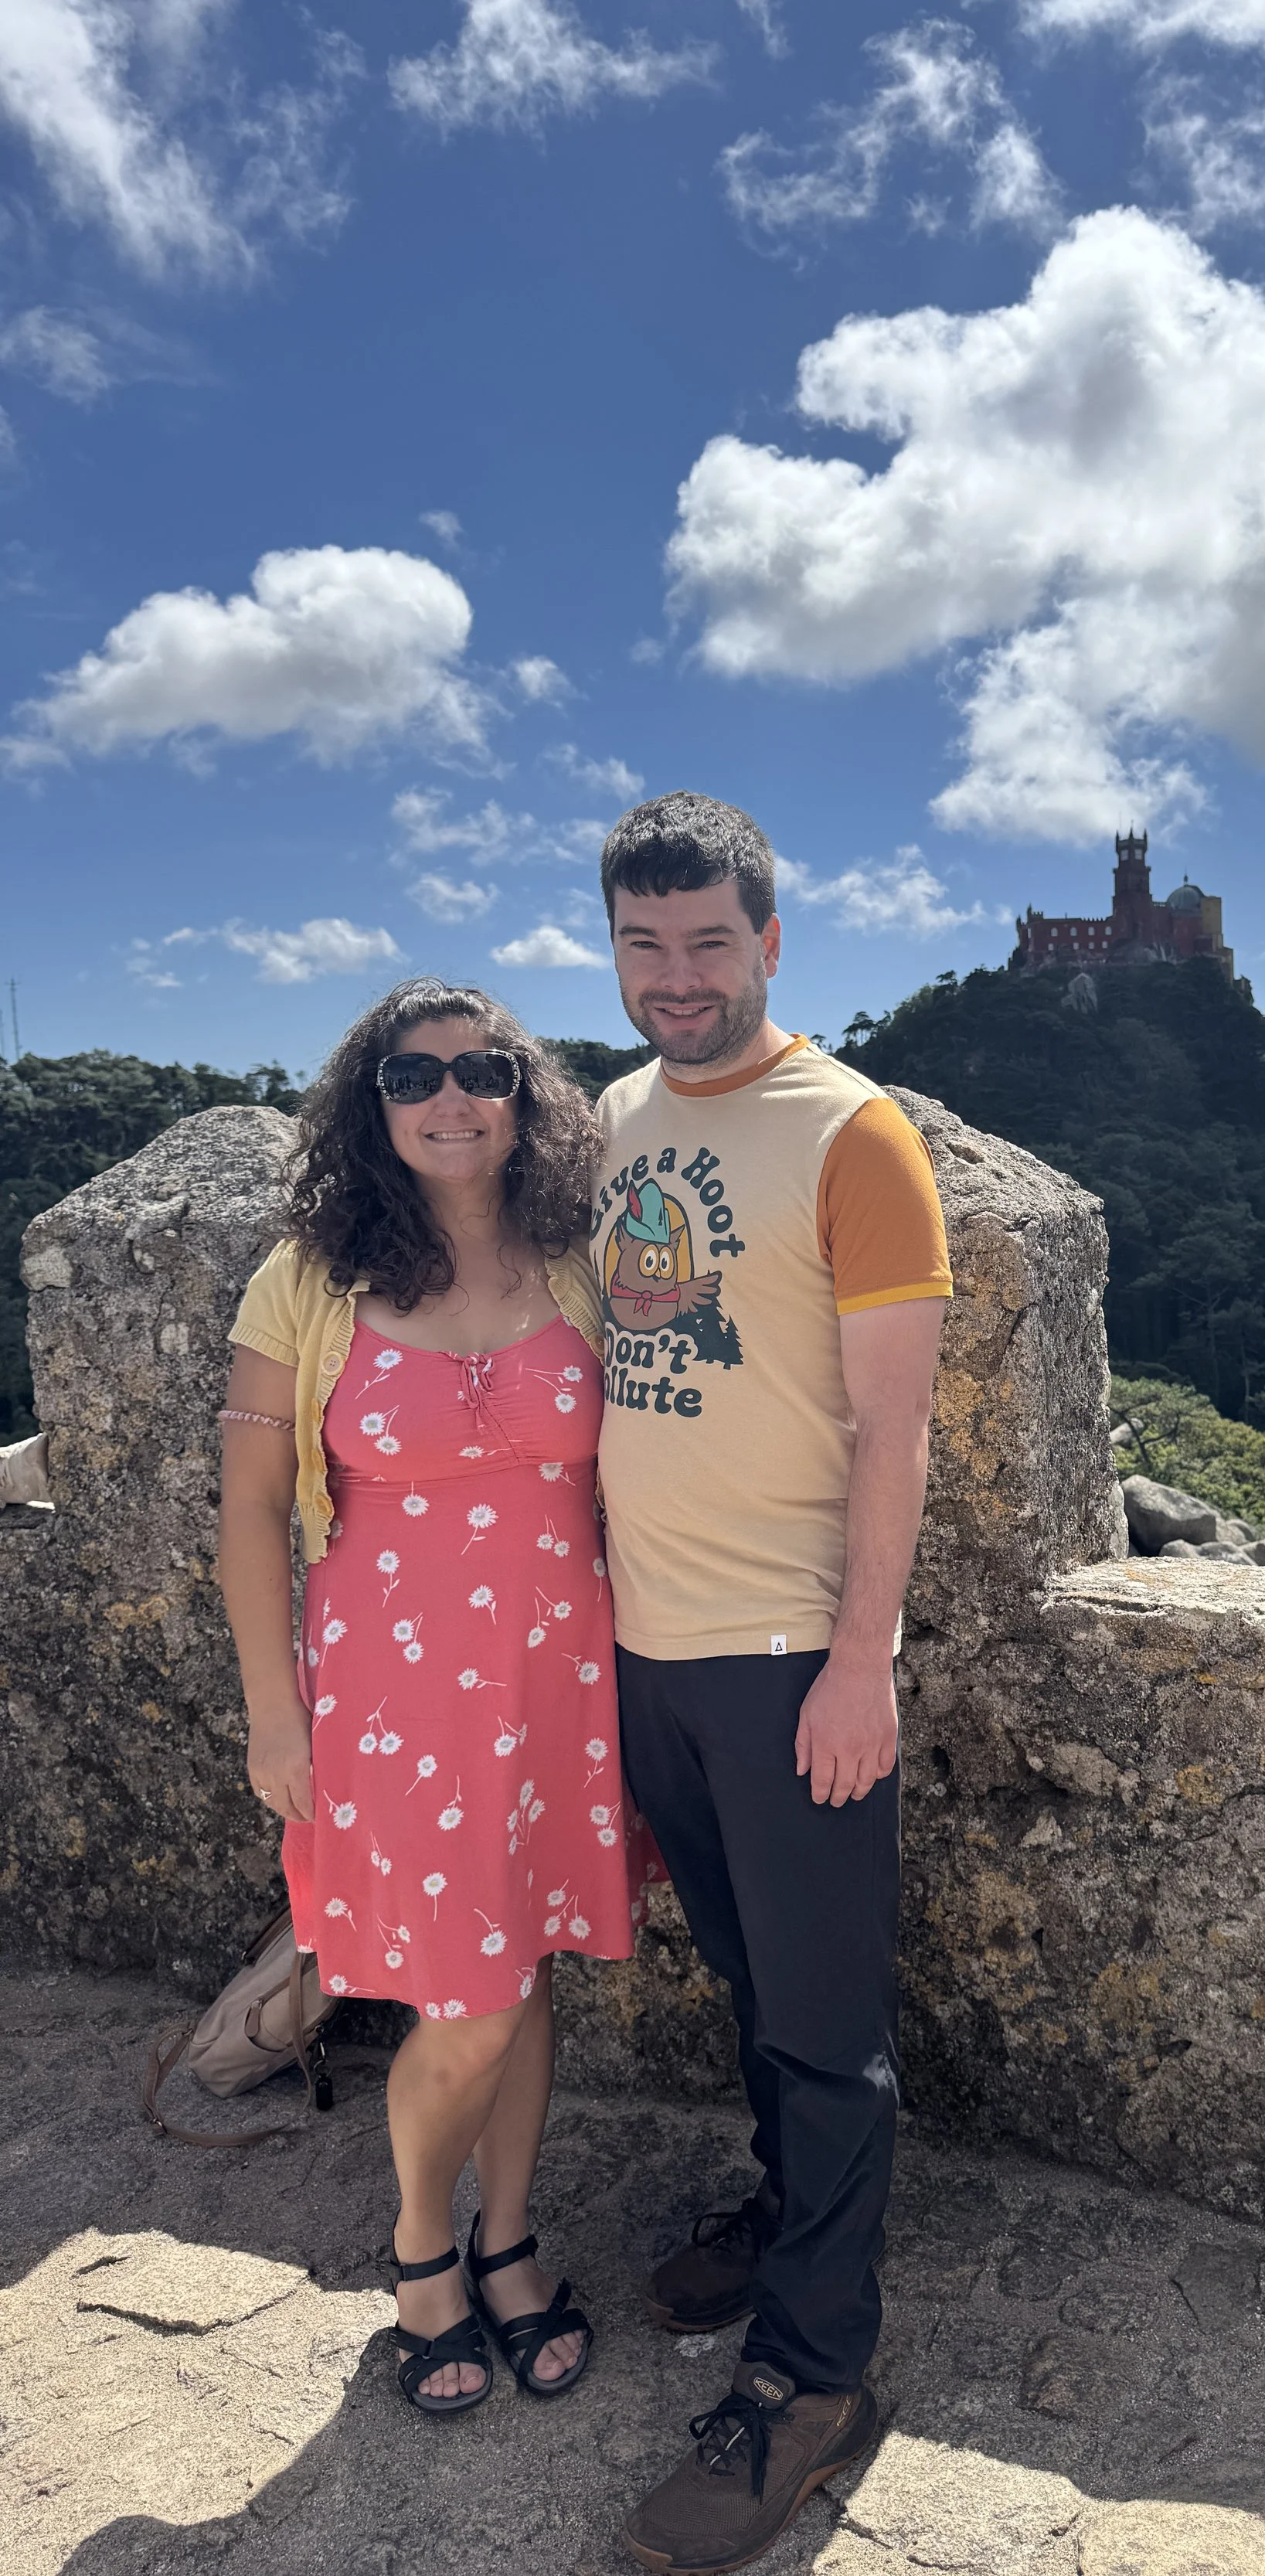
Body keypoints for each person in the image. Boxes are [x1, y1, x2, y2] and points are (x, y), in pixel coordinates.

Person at [590, 794, 951, 2574]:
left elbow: (895, 1424)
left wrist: (860, 1660)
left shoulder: (852, 1134)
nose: (676, 976)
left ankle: (814, 2377)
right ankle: (796, 2212)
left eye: (708, 941)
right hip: (649, 1655)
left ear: (772, 941)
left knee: (822, 2026)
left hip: (789, 1657)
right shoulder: (609, 1121)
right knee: (748, 1985)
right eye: (643, 944)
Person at [219, 978, 661, 2417]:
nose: (451, 1098)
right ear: (374, 1105)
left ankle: (512, 2238)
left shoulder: (583, 1260)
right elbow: (247, 1512)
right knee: (467, 1995)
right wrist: (271, 1715)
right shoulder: (309, 1279)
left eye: (482, 1071)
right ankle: (423, 2254)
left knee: (518, 1968)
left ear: (524, 1095)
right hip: (389, 1697)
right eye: (414, 1078)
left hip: (556, 1687)